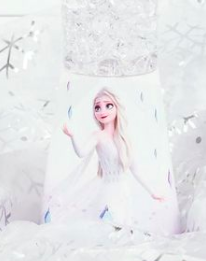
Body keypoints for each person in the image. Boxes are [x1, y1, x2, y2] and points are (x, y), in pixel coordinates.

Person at [45, 87, 167, 227]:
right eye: (97, 108)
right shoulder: (98, 136)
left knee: (123, 223)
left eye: (108, 106)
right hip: (107, 188)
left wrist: (152, 192)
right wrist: (73, 136)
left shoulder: (124, 139)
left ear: (117, 108)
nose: (102, 111)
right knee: (108, 221)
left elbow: (136, 170)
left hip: (123, 190)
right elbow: (81, 153)